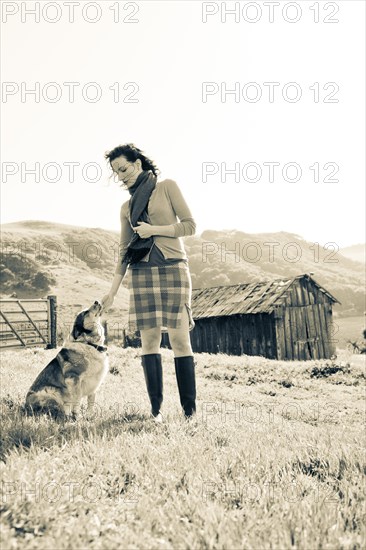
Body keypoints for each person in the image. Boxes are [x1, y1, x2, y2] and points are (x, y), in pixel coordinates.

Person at [101, 143, 197, 422]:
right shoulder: (126, 208)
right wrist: (112, 290)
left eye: (124, 168)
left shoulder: (167, 187)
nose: (121, 176)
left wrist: (154, 230)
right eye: (116, 172)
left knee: (180, 339)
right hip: (141, 273)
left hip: (173, 268)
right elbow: (124, 250)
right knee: (150, 341)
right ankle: (155, 412)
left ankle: (189, 413)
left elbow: (190, 225)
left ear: (138, 164)